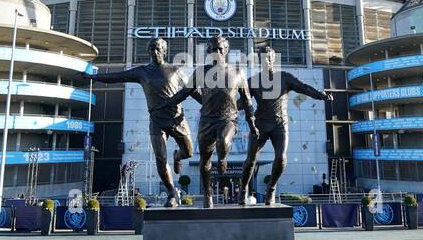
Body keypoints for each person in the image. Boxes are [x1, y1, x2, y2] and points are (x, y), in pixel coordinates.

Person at [93, 37, 199, 207]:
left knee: (188, 153)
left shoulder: (176, 70)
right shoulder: (142, 72)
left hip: (177, 119)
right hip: (157, 121)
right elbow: (117, 76)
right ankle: (171, 192)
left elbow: (192, 91)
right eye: (151, 49)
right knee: (160, 158)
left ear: (164, 51)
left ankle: (178, 156)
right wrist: (94, 76)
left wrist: (209, 104)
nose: (154, 52)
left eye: (157, 48)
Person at [239, 43, 331, 205]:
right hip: (260, 125)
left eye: (269, 57)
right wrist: (224, 106)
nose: (266, 60)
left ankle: (271, 189)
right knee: (250, 161)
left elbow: (304, 88)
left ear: (274, 58)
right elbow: (241, 103)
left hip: (280, 124)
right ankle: (243, 189)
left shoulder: (285, 77)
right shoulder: (252, 81)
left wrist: (320, 95)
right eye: (262, 58)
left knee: (281, 157)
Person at [193, 34, 256, 208]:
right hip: (206, 120)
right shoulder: (201, 71)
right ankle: (208, 195)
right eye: (213, 49)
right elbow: (186, 91)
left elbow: (248, 100)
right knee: (204, 160)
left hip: (228, 118)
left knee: (223, 140)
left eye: (220, 49)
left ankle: (222, 158)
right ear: (208, 51)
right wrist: (171, 102)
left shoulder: (237, 71)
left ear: (226, 50)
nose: (217, 52)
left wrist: (252, 124)